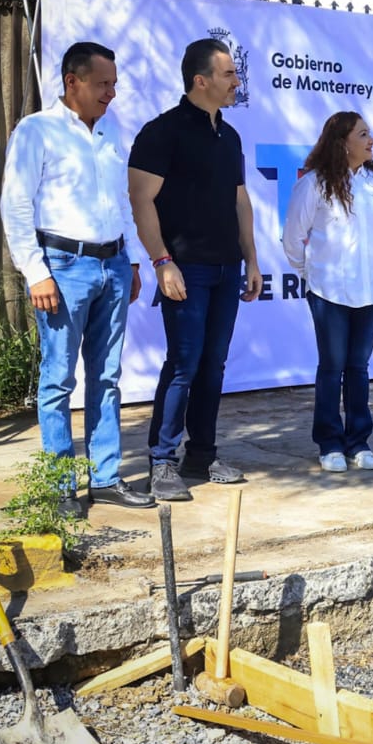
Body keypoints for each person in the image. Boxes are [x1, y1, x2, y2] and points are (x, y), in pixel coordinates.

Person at [0, 41, 154, 517]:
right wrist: (36, 271)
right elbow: (16, 203)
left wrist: (130, 261)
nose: (113, 92)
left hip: (111, 264)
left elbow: (123, 201)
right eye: (104, 83)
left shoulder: (110, 132)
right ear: (73, 82)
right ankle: (60, 485)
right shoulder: (37, 131)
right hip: (63, 268)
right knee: (59, 379)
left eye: (114, 83)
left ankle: (105, 478)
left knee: (106, 377)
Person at [129, 38, 263, 502]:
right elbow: (141, 200)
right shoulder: (161, 132)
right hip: (185, 268)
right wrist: (162, 261)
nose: (236, 82)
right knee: (184, 364)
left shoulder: (230, 135)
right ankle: (161, 462)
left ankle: (202, 455)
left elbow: (239, 200)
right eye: (229, 75)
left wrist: (252, 258)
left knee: (213, 365)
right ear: (200, 80)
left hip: (227, 268)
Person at [283, 111, 373, 473]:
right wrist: (309, 275)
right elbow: (293, 238)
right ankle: (329, 443)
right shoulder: (314, 183)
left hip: (371, 289)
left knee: (358, 368)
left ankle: (358, 442)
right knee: (332, 367)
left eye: (370, 133)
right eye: (363, 134)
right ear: (343, 142)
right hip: (329, 291)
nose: (371, 140)